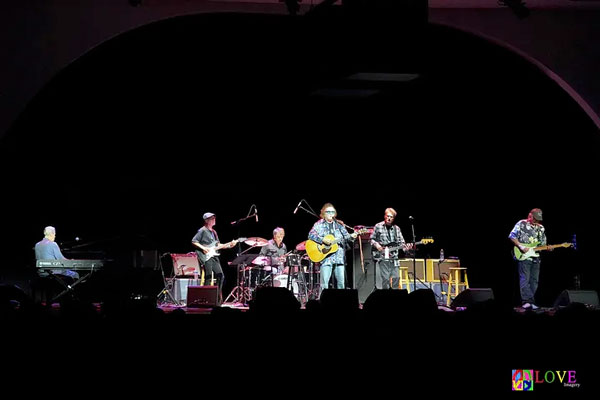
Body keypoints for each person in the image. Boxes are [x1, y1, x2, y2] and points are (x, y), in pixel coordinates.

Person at [308, 203, 359, 295]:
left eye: (332, 212)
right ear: (323, 213)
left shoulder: (339, 225)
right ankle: (322, 302)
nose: (330, 213)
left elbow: (347, 237)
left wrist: (353, 236)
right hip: (326, 258)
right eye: (328, 212)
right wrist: (323, 240)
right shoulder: (319, 224)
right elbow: (311, 235)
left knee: (341, 283)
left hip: (339, 258)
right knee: (324, 284)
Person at [191, 212, 239, 296]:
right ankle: (205, 298)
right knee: (208, 277)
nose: (214, 220)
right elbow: (194, 241)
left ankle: (215, 297)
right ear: (206, 221)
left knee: (221, 276)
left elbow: (218, 245)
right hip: (206, 257)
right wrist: (204, 248)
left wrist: (229, 245)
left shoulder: (214, 232)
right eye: (212, 218)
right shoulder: (202, 230)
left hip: (214, 256)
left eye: (214, 218)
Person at [509, 208, 547, 310]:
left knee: (534, 281)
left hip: (536, 257)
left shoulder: (541, 228)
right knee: (525, 279)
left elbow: (543, 243)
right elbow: (512, 236)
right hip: (524, 256)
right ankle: (527, 301)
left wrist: (548, 248)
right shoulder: (521, 223)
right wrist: (521, 247)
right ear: (530, 215)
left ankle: (530, 301)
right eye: (535, 218)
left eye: (538, 219)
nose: (537, 221)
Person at [370, 208, 413, 290]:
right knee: (385, 280)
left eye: (391, 217)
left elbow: (402, 243)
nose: (389, 218)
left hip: (394, 258)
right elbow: (371, 239)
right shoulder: (378, 226)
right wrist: (377, 245)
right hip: (382, 257)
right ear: (384, 216)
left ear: (394, 218)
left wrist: (407, 248)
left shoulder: (397, 229)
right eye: (388, 216)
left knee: (396, 278)